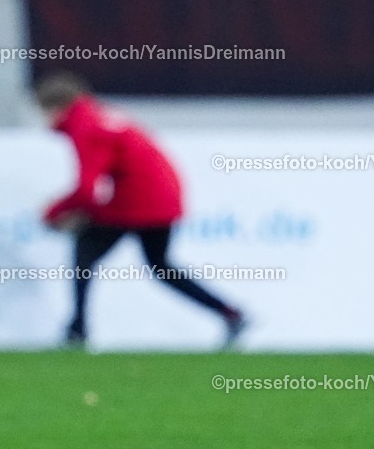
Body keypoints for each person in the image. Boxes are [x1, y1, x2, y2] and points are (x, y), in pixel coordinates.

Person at [36, 72, 246, 347]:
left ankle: (77, 331)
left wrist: (53, 211)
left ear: (55, 108)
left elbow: (88, 189)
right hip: (162, 197)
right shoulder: (100, 117)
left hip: (139, 201)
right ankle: (230, 313)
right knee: (160, 265)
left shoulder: (85, 126)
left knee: (85, 256)